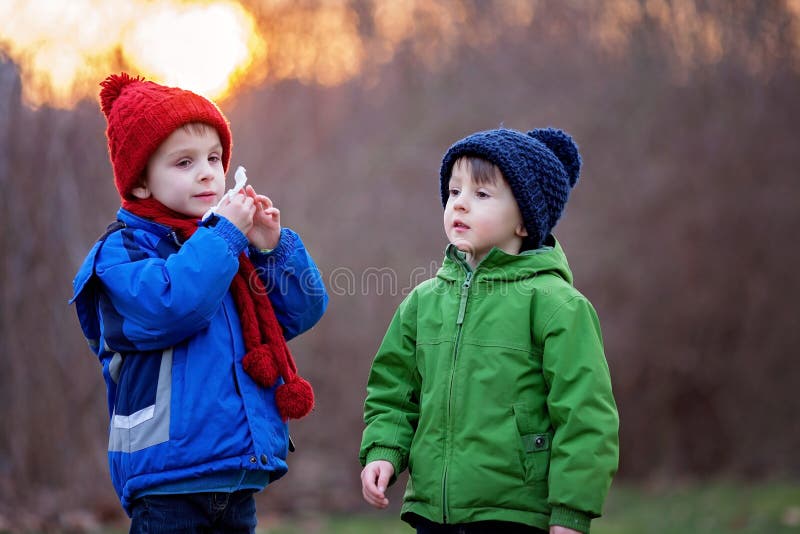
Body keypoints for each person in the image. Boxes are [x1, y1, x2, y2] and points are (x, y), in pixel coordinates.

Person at [70, 73, 328, 533]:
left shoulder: (225, 248)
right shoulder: (122, 252)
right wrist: (227, 237)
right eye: (184, 162)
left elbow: (302, 310)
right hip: (167, 482)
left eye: (214, 157)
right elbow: (174, 306)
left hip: (235, 471)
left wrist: (271, 248)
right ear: (142, 183)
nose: (208, 172)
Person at [359, 127, 619, 534]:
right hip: (433, 513)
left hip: (514, 514)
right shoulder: (423, 302)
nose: (460, 204)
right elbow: (394, 389)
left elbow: (585, 415)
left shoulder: (556, 306)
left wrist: (571, 511)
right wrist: (384, 451)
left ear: (524, 222)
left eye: (481, 195)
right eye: (454, 191)